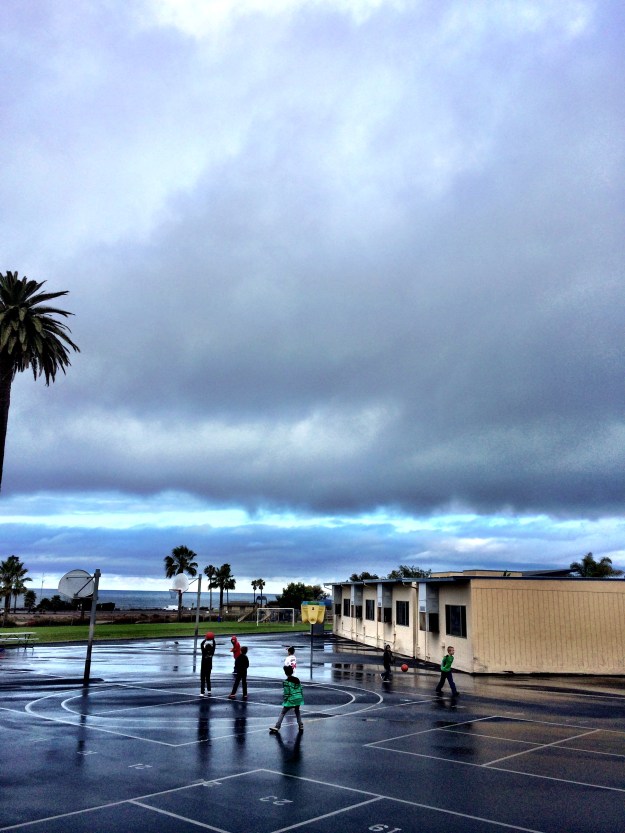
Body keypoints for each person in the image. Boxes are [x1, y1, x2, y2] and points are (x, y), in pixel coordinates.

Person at [270, 666, 304, 734]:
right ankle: (300, 725)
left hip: (291, 699)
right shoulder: (297, 679)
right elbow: (301, 689)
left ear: (285, 673)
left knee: (283, 712)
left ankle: (277, 726)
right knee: (297, 711)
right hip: (298, 698)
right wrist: (300, 697)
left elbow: (286, 693)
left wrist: (285, 700)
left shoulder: (286, 682)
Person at [200, 632, 216, 696]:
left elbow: (201, 644)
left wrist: (205, 639)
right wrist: (213, 639)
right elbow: (214, 645)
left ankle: (202, 692)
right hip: (209, 667)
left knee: (203, 680)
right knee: (208, 679)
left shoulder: (204, 652)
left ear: (205, 647)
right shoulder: (212, 653)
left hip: (203, 667)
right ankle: (209, 690)